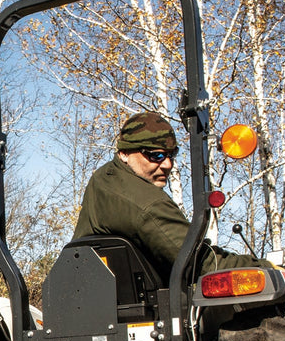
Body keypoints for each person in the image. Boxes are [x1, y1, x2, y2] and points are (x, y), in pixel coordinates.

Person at [72, 110, 270, 279]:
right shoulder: (148, 204)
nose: (167, 164)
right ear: (124, 153)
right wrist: (265, 267)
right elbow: (201, 263)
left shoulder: (104, 178)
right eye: (155, 155)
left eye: (171, 155)